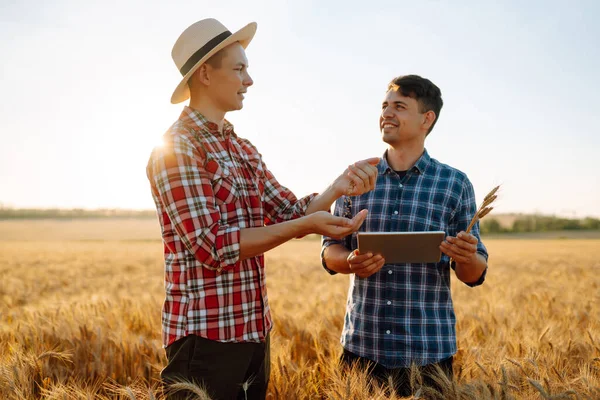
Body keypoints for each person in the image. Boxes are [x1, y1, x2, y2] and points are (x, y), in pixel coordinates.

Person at [146, 18, 379, 400]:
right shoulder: (178, 148)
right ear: (205, 74)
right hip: (205, 340)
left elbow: (290, 210)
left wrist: (338, 185)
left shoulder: (243, 149)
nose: (249, 80)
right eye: (239, 69)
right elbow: (214, 246)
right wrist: (304, 227)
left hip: (254, 332)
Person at [320, 75, 489, 397]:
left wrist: (467, 256)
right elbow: (330, 250)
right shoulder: (356, 178)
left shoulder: (455, 183)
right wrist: (350, 262)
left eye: (399, 106)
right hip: (363, 346)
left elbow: (473, 274)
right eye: (384, 106)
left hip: (428, 350)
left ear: (427, 119)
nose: (387, 113)